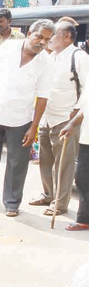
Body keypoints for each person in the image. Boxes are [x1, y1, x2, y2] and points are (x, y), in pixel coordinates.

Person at [0, 19, 55, 217]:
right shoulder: (8, 47)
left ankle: (12, 201)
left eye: (47, 39)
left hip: (21, 118)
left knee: (18, 162)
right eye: (39, 36)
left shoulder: (46, 62)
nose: (42, 42)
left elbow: (43, 97)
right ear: (29, 34)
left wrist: (33, 127)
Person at [30, 21, 87, 217]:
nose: (50, 38)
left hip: (66, 118)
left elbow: (87, 90)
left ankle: (60, 204)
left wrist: (75, 116)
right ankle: (48, 194)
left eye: (54, 34)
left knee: (64, 164)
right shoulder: (50, 57)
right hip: (47, 117)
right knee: (45, 161)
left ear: (68, 37)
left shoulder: (78, 57)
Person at [57, 84, 89, 232]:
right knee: (82, 178)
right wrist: (71, 124)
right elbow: (84, 108)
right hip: (86, 139)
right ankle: (84, 219)